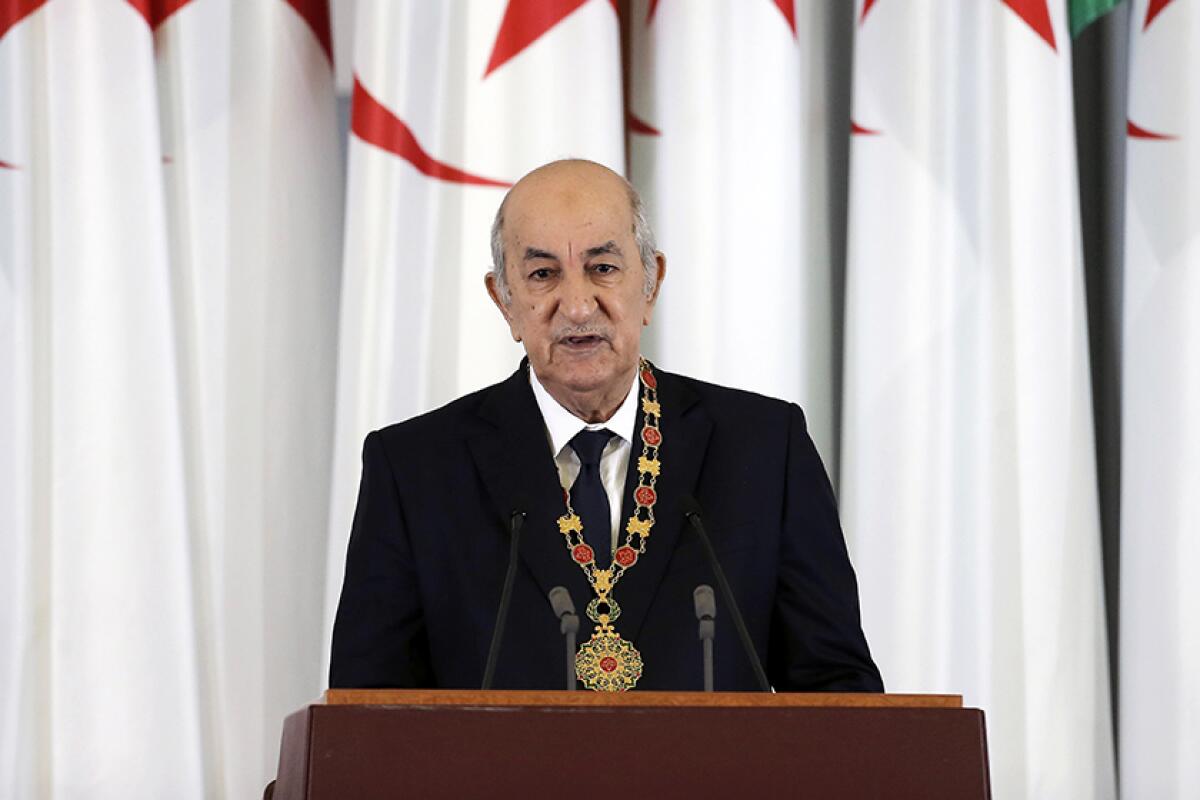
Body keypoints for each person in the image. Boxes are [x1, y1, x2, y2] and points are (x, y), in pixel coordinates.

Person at [329, 159, 882, 692]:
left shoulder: (764, 449)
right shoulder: (415, 469)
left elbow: (838, 690)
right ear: (504, 301)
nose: (576, 306)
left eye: (603, 268)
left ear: (651, 284)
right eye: (543, 274)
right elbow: (367, 714)